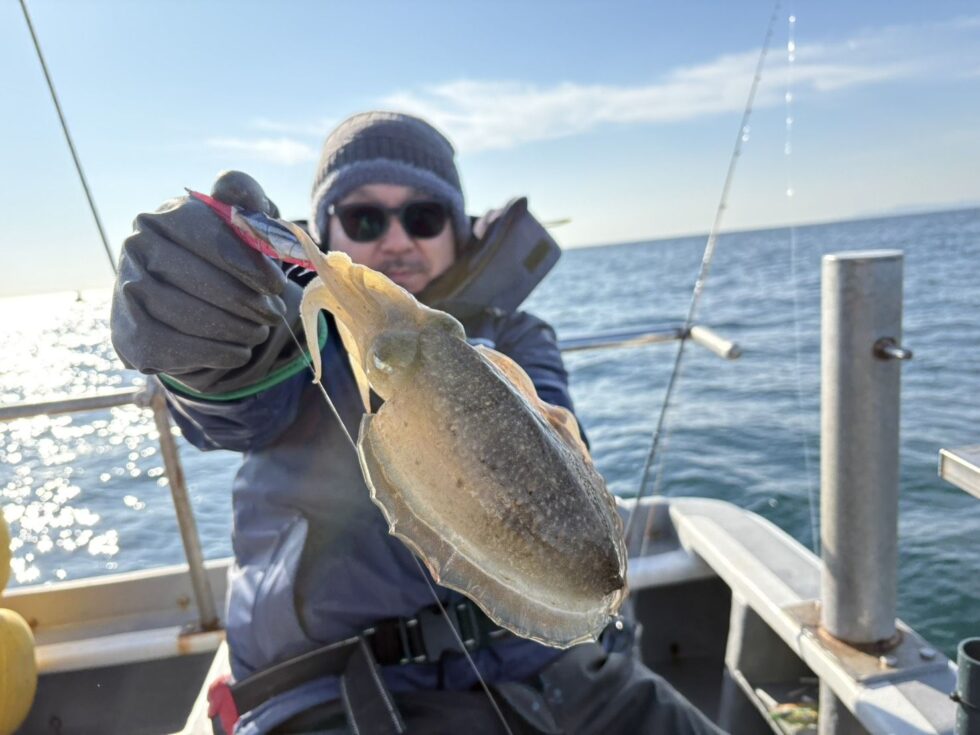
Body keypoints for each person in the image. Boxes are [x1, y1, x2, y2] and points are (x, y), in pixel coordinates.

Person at [110, 111, 723, 735]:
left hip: (562, 678)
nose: (397, 239)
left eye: (424, 217)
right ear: (326, 228)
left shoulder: (517, 336)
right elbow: (232, 401)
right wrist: (197, 332)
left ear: (457, 229)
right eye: (365, 219)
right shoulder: (289, 344)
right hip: (334, 693)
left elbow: (555, 454)